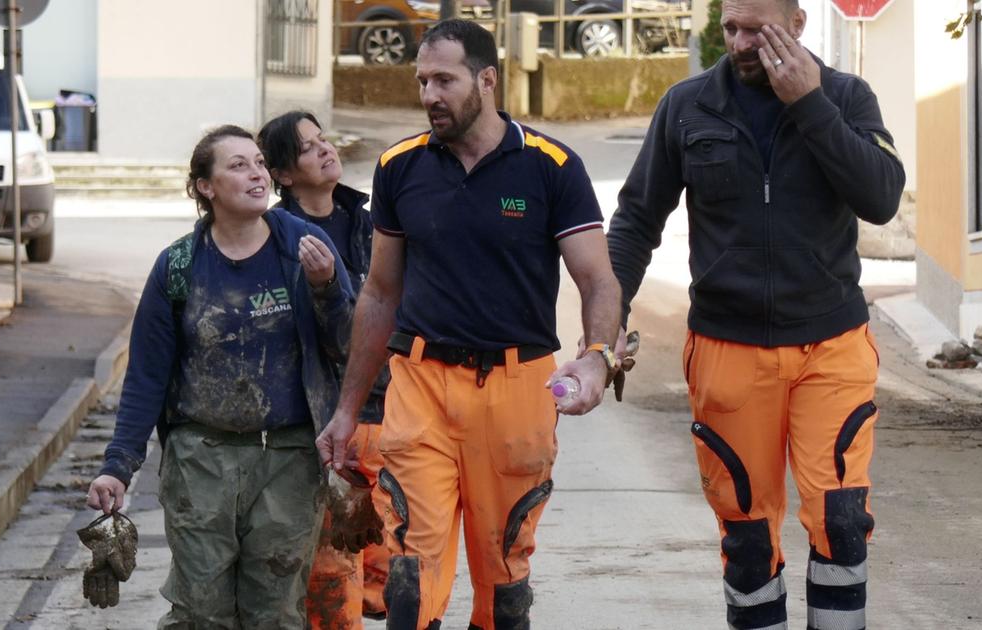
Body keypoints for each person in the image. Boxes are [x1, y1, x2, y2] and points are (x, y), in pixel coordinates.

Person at [606, 1, 905, 628]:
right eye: (731, 29)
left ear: (797, 25)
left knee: (841, 520)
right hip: (727, 348)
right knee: (745, 536)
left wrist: (809, 104)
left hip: (832, 343)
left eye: (757, 30)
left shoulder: (847, 97)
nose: (741, 44)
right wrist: (605, 317)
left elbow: (880, 197)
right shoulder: (687, 107)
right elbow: (635, 222)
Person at [315, 19, 622, 630]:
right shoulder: (400, 167)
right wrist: (349, 409)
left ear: (486, 80)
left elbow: (599, 281)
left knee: (503, 573)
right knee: (409, 572)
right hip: (421, 384)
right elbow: (379, 294)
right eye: (422, 80)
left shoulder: (551, 166)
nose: (430, 94)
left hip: (518, 389)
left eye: (444, 80)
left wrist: (596, 355)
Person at [86, 124, 356, 629]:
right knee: (200, 611)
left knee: (275, 612)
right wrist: (117, 466)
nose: (256, 172)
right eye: (238, 165)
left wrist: (326, 290)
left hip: (288, 459)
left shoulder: (304, 248)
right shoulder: (179, 266)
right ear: (205, 187)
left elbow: (347, 347)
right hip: (200, 462)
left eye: (258, 162)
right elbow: (146, 375)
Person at [259, 110, 392, 627]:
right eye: (308, 148)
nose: (325, 149)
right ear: (285, 175)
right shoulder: (273, 238)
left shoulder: (372, 221)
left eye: (323, 140)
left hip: (389, 412)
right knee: (334, 578)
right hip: (323, 424)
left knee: (399, 570)